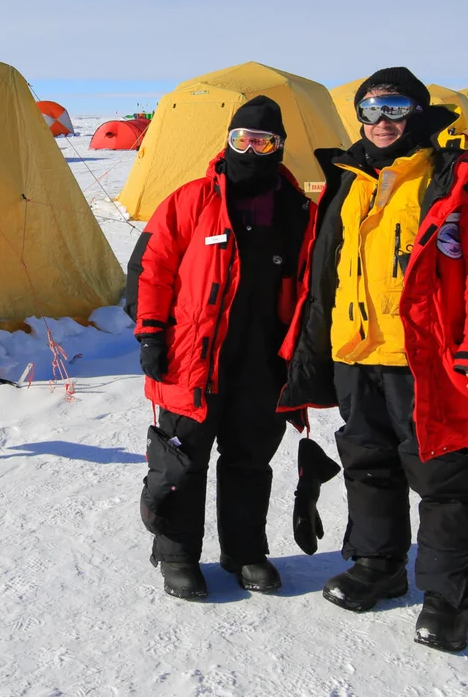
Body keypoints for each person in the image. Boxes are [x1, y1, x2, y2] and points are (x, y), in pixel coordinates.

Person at [278, 67, 468, 651]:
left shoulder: (453, 176)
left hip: (423, 356)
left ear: (416, 112)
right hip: (355, 352)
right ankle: (379, 565)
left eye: (393, 108)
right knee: (368, 463)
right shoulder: (349, 176)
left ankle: (449, 597)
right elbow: (326, 269)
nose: (381, 122)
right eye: (368, 110)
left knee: (441, 475)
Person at [126, 96, 317, 600]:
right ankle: (177, 555)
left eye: (264, 142)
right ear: (228, 141)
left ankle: (244, 551)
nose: (251, 150)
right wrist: (150, 332)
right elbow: (150, 268)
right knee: (181, 460)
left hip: (264, 358)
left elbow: (315, 286)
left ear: (280, 149)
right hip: (193, 355)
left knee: (250, 460)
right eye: (242, 140)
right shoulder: (191, 200)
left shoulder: (298, 210)